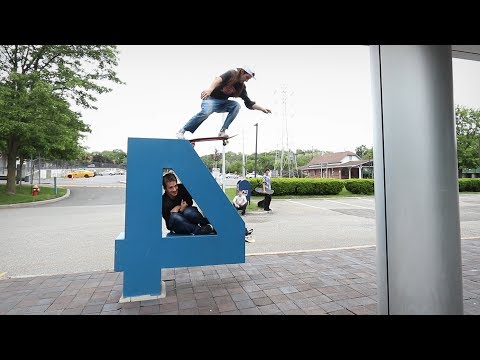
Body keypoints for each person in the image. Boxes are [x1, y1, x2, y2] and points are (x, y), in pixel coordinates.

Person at [176, 66, 272, 139]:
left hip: (223, 103)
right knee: (205, 113)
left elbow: (249, 103)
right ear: (242, 72)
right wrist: (210, 89)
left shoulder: (242, 88)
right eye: (247, 77)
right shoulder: (231, 74)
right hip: (210, 100)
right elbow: (218, 79)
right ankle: (182, 131)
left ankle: (222, 131)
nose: (246, 80)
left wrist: (262, 109)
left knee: (236, 105)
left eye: (248, 79)